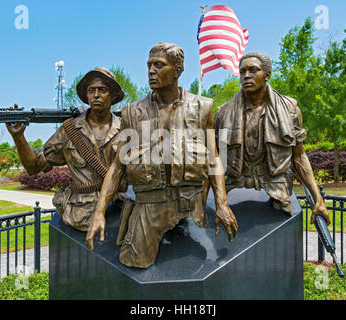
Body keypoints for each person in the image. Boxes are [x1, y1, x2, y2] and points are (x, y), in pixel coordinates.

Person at [85, 42, 238, 268]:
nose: (151, 71)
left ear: (177, 70)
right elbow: (118, 167)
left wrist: (222, 203)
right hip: (149, 207)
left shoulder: (202, 107)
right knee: (133, 262)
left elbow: (214, 158)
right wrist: (99, 211)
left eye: (159, 65)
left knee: (196, 269)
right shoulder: (132, 113)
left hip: (190, 206)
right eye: (148, 65)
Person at [214, 52, 330, 224]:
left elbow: (298, 156)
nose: (246, 76)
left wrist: (317, 198)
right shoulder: (223, 113)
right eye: (243, 71)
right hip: (234, 185)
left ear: (267, 75)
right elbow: (214, 159)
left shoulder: (289, 109)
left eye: (253, 70)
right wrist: (219, 203)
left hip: (277, 188)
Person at [6, 67, 126, 231]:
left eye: (102, 90)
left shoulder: (127, 128)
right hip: (80, 213)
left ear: (113, 95)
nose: (96, 95)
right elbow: (33, 167)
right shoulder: (69, 131)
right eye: (91, 90)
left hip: (120, 210)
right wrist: (18, 137)